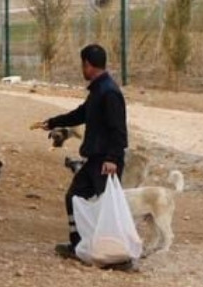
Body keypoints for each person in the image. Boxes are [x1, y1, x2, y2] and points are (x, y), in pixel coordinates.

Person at [30, 44, 129, 262]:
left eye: (82, 65)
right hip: (94, 159)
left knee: (107, 207)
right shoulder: (97, 91)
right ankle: (79, 246)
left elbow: (119, 130)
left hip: (106, 161)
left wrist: (113, 158)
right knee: (74, 197)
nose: (81, 70)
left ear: (88, 65)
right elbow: (81, 114)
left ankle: (119, 255)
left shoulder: (109, 92)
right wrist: (53, 122)